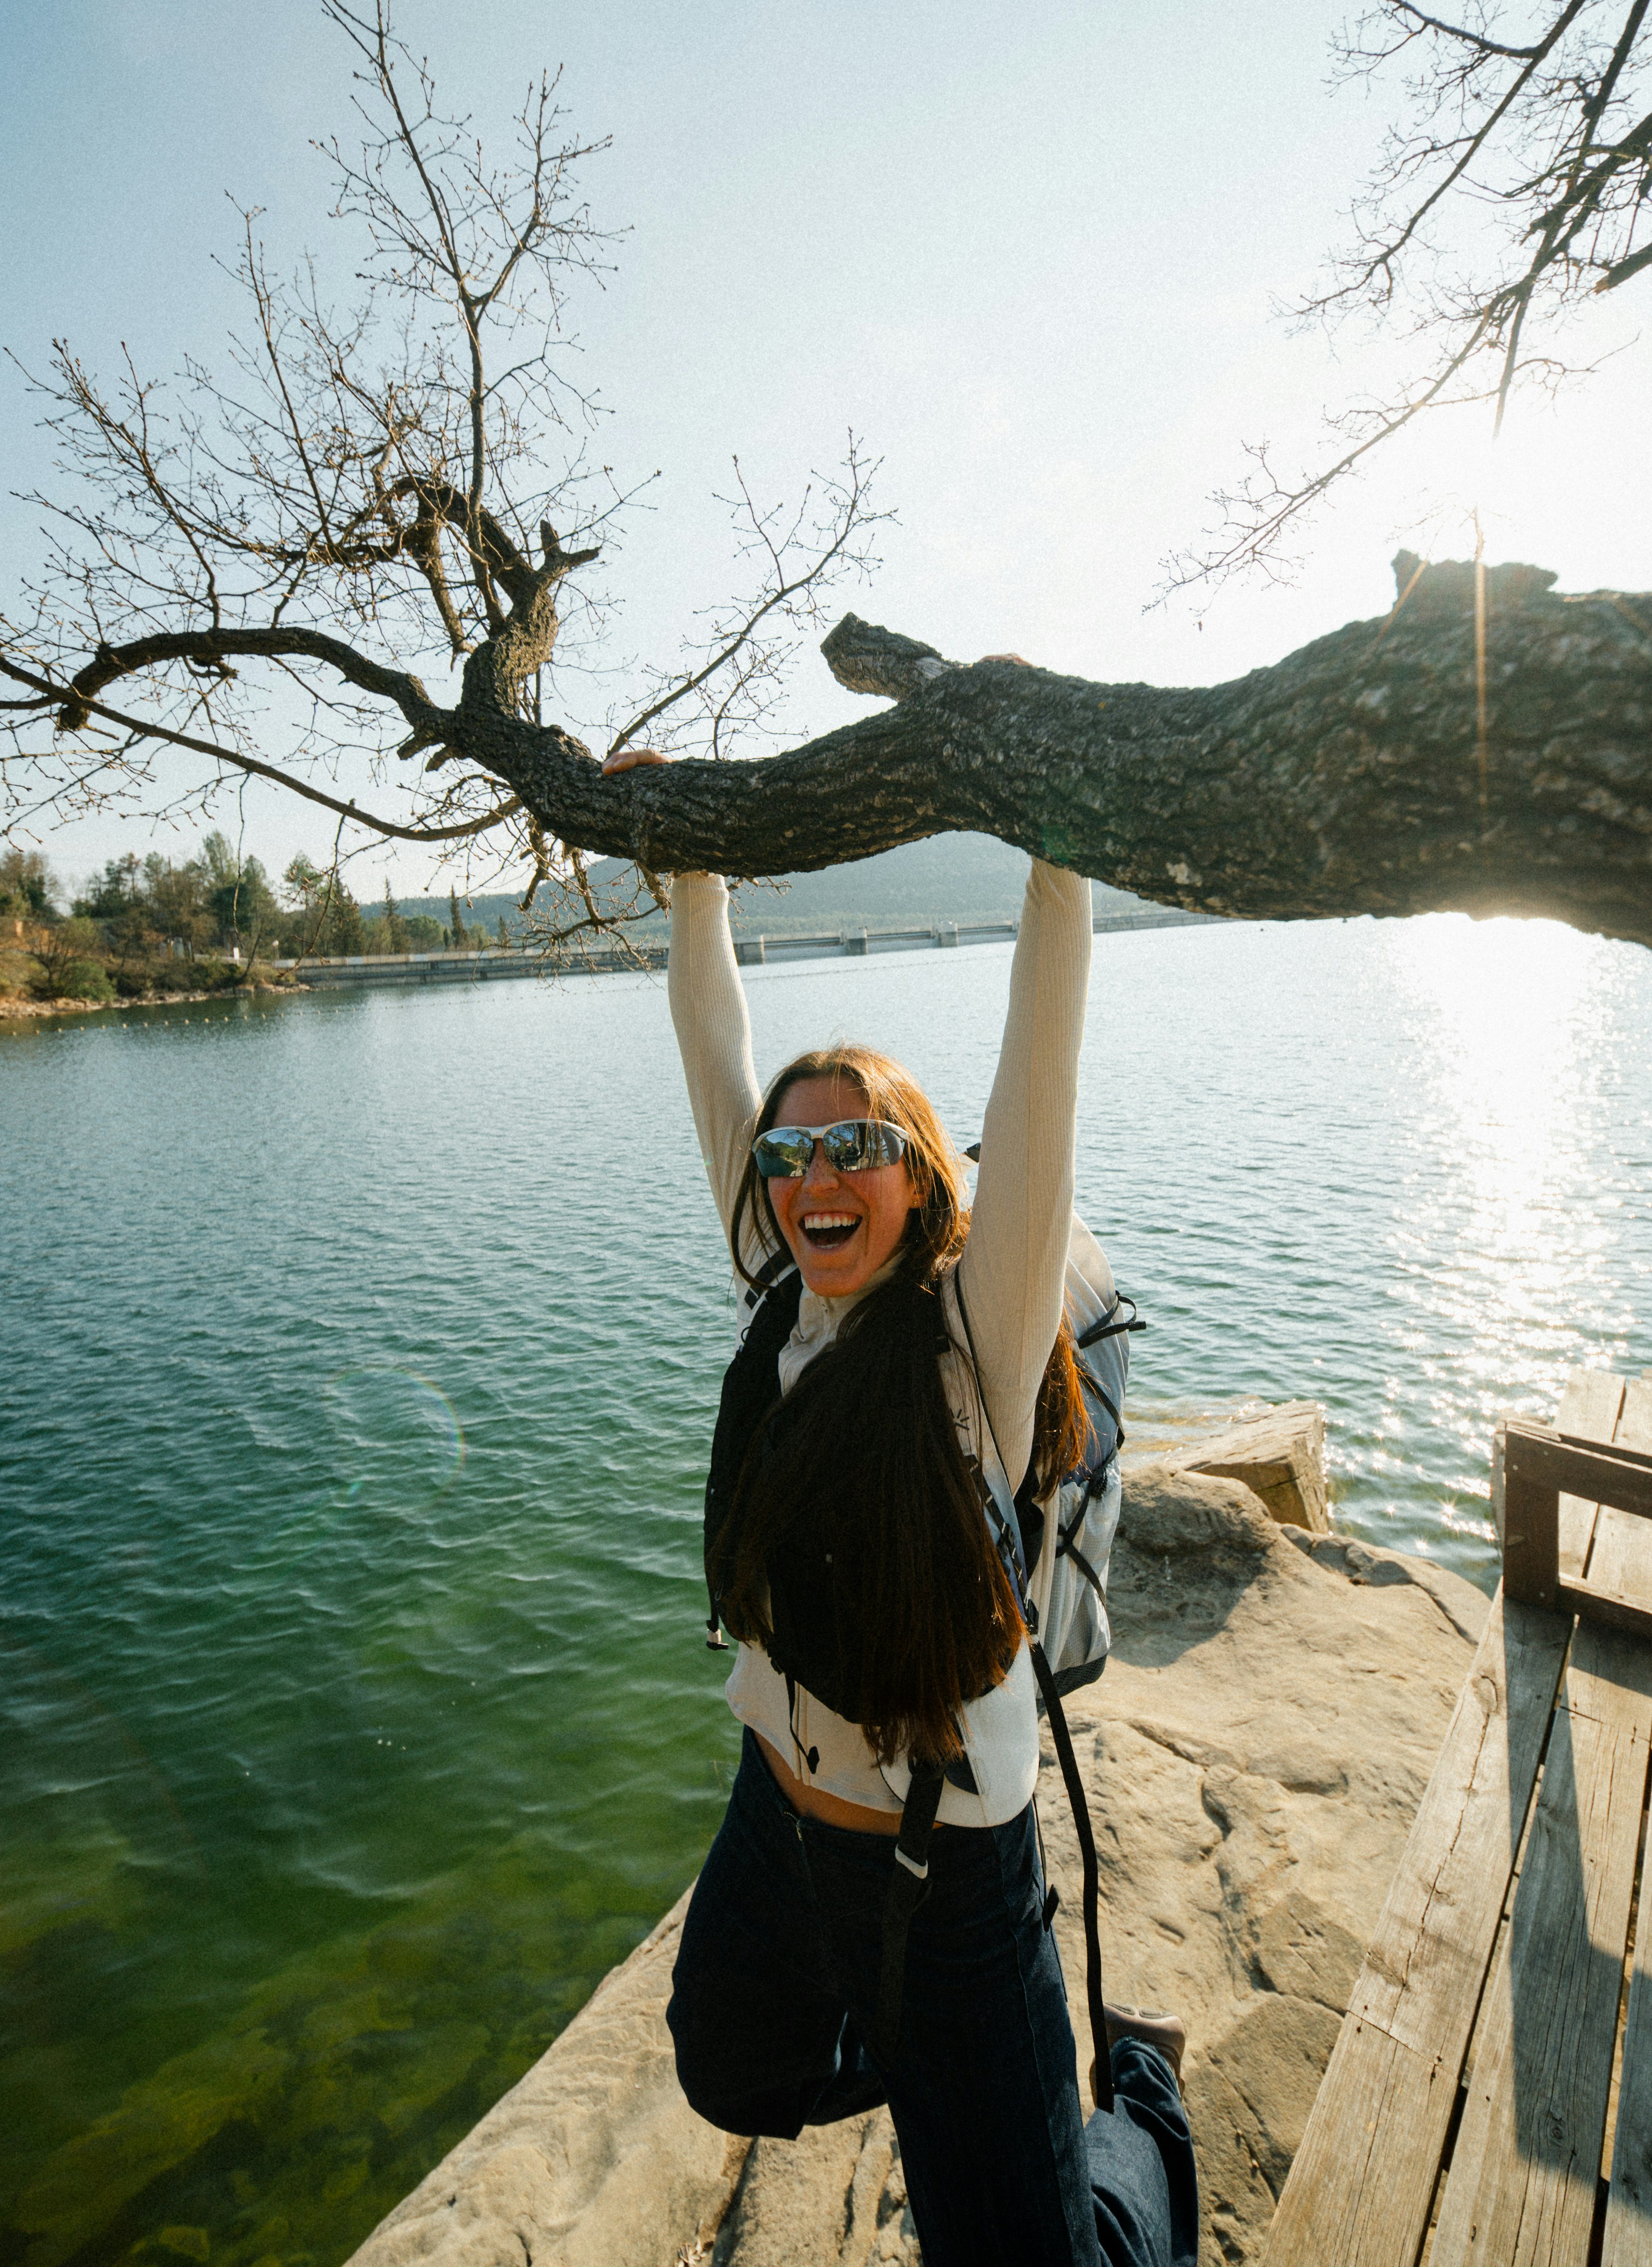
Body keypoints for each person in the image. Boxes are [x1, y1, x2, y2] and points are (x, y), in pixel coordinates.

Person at [603, 740, 1198, 2267]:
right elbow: (717, 1051)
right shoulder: (779, 1298)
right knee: (727, 2063)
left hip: (952, 1872)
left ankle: (1139, 2109)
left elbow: (1037, 1094)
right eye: (794, 1149)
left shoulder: (975, 1338)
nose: (818, 1169)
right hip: (780, 1827)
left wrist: (1058, 862)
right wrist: (692, 872)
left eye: (859, 1144)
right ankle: (957, 2086)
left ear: (921, 1177)